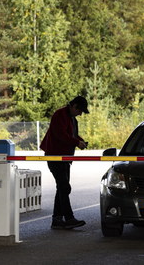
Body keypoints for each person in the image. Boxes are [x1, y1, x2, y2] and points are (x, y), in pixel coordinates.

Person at [40, 96, 89, 230]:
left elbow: (71, 135)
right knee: (64, 186)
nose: (80, 114)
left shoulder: (72, 119)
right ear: (74, 106)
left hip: (65, 158)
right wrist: (76, 142)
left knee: (62, 187)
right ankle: (69, 218)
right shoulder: (59, 115)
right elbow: (60, 135)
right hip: (55, 156)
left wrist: (80, 140)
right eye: (80, 110)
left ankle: (57, 219)